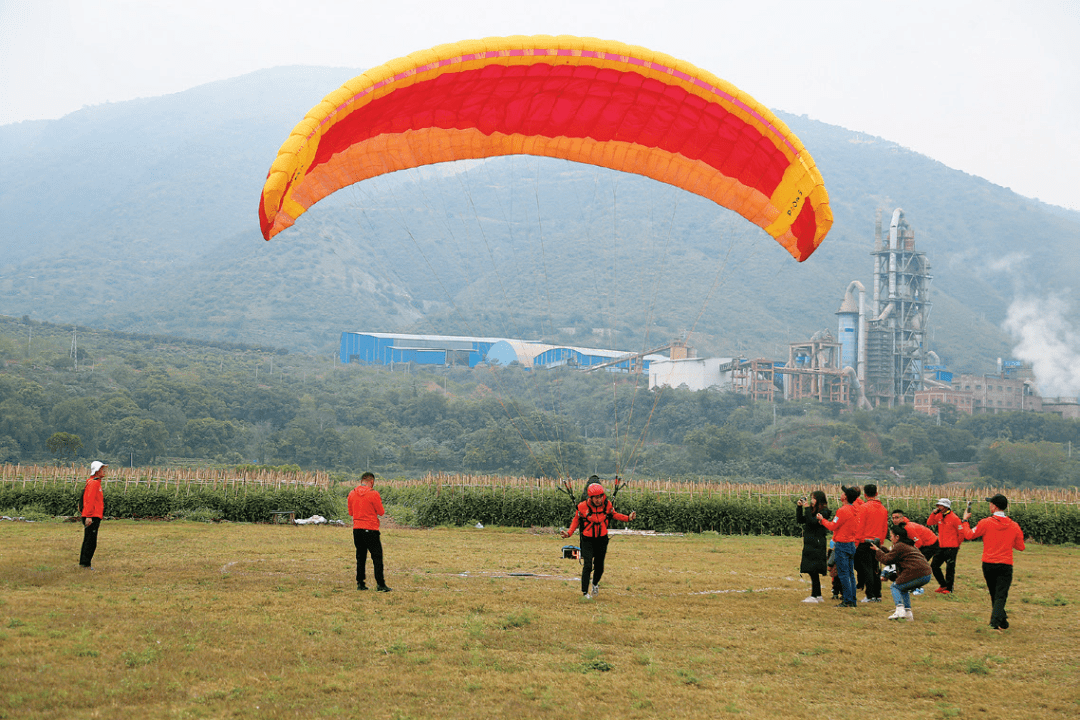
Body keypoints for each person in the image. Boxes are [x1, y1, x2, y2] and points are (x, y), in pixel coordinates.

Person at [561, 481, 636, 599]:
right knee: (587, 565)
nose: (599, 500)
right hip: (587, 540)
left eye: (600, 496)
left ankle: (595, 584)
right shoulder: (582, 506)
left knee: (600, 566)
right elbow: (576, 520)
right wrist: (569, 533)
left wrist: (628, 518)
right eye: (596, 497)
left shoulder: (607, 505)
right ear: (591, 498)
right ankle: (585, 592)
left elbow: (615, 515)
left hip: (602, 539)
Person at [960, 494, 1025, 631]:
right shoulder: (1014, 525)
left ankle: (998, 623)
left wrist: (965, 521)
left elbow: (969, 535)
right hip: (1006, 564)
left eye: (990, 504)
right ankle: (998, 622)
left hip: (988, 563)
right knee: (1000, 595)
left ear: (994, 506)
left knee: (994, 593)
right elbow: (1020, 547)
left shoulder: (985, 522)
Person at [872, 524, 933, 621]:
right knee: (903, 588)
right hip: (926, 574)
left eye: (891, 535)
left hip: (917, 573)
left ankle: (900, 610)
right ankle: (908, 613)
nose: (890, 538)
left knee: (895, 586)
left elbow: (887, 560)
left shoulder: (899, 546)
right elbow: (893, 556)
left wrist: (877, 551)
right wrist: (881, 548)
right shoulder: (907, 545)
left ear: (897, 537)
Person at [818, 485, 861, 608]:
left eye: (843, 493)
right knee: (851, 574)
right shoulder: (855, 510)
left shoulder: (843, 510)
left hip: (842, 544)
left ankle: (847, 600)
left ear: (845, 497)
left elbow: (833, 526)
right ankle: (852, 599)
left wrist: (822, 520)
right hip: (851, 544)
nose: (841, 495)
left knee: (843, 574)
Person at [347, 472, 391, 592]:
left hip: (357, 529)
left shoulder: (352, 493)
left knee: (360, 557)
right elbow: (381, 512)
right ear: (371, 481)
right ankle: (380, 584)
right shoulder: (373, 494)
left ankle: (360, 583)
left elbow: (351, 513)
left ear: (362, 480)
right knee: (377, 557)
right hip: (371, 529)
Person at [890, 509, 938, 595]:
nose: (894, 520)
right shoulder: (902, 526)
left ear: (902, 518)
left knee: (917, 565)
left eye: (897, 518)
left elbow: (919, 543)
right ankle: (911, 586)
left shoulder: (908, 527)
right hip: (925, 543)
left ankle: (917, 588)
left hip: (930, 544)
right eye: (893, 518)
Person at [854, 484, 888, 603]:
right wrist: (880, 543)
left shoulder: (864, 508)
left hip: (865, 542)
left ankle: (870, 595)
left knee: (866, 569)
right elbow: (885, 528)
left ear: (865, 494)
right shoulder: (883, 509)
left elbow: (860, 526)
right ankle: (877, 594)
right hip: (877, 542)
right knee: (875, 568)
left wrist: (856, 542)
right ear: (876, 494)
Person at [795, 491, 831, 603]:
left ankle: (815, 595)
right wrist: (799, 508)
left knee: (814, 568)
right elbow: (800, 520)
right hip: (809, 542)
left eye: (813, 498)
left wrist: (806, 509)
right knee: (811, 569)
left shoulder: (825, 511)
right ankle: (817, 595)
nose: (811, 500)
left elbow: (812, 522)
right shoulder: (811, 510)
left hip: (817, 542)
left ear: (819, 499)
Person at [925, 498, 964, 594]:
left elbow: (961, 533)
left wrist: (957, 545)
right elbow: (929, 523)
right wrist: (933, 513)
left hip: (951, 547)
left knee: (950, 568)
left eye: (940, 505)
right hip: (941, 546)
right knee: (934, 566)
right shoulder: (938, 516)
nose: (938, 507)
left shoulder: (954, 518)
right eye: (938, 505)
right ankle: (943, 585)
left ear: (946, 507)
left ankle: (949, 589)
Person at [78, 461, 106, 569]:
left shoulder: (95, 482)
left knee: (90, 540)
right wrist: (89, 516)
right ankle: (85, 564)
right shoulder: (94, 483)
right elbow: (89, 501)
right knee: (90, 541)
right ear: (97, 471)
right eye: (102, 469)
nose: (104, 471)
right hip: (92, 516)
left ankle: (85, 563)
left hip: (95, 515)